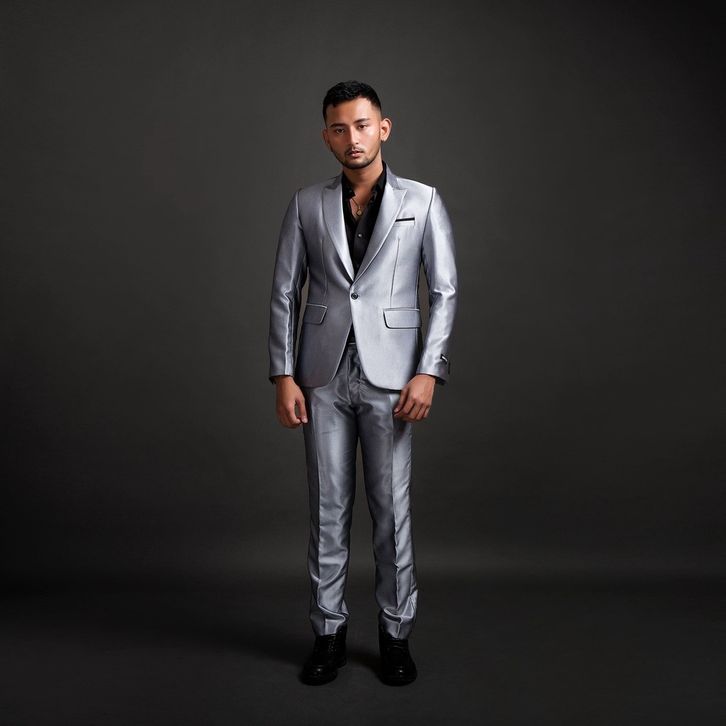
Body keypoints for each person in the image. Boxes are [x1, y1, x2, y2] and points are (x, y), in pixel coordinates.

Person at [268, 80, 457, 686]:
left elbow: (444, 292)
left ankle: (395, 636)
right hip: (321, 378)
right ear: (326, 136)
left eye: (362, 124)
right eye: (340, 128)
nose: (352, 138)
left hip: (393, 379)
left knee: (391, 513)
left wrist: (428, 370)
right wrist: (283, 374)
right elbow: (284, 293)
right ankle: (328, 634)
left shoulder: (423, 201)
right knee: (327, 510)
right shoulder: (306, 204)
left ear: (384, 128)